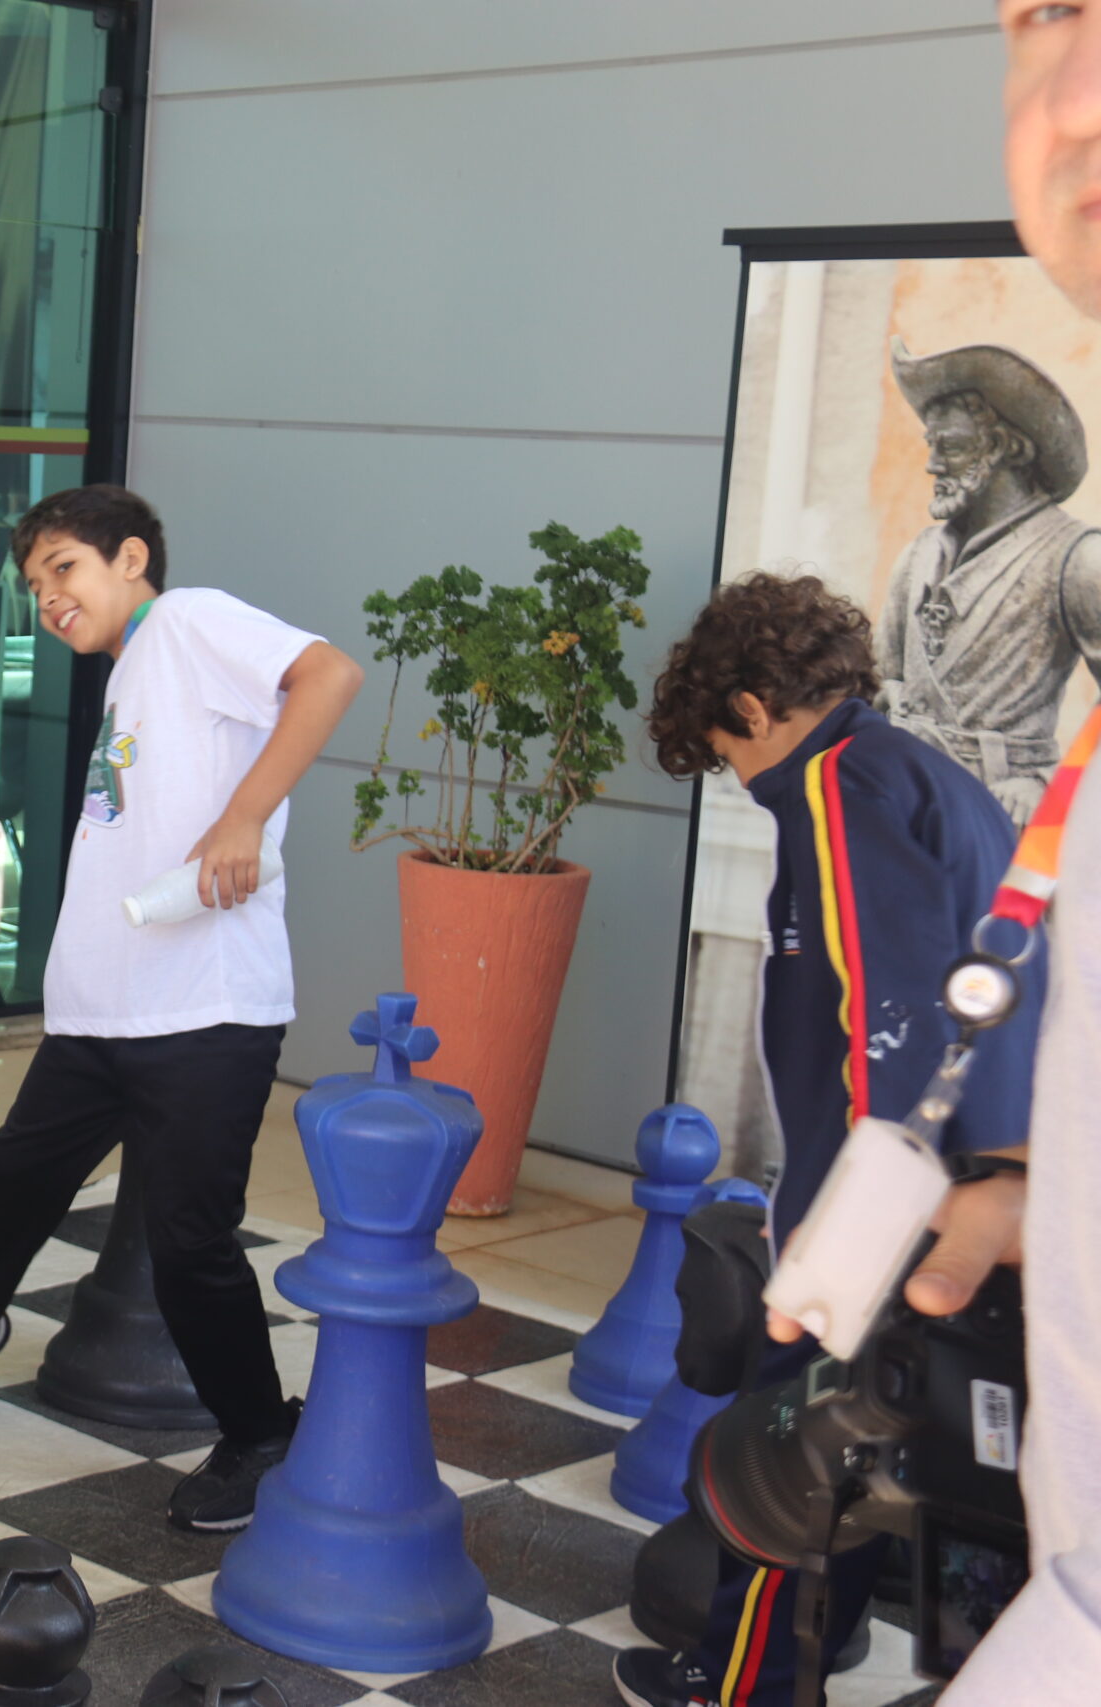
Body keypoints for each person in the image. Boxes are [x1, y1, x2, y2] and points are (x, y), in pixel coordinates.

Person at [0, 484, 363, 1531]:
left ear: (130, 559)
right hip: (101, 1012)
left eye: (63, 570)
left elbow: (329, 674)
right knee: (14, 1182)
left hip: (205, 1008)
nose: (46, 598)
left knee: (190, 1240)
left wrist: (244, 819)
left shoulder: (187, 620)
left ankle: (259, 1433)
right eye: (33, 585)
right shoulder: (132, 670)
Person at [612, 572, 1043, 1706]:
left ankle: (739, 1688)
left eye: (728, 755)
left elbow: (884, 1020)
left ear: (753, 707)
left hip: (902, 1216)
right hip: (982, 1203)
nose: (744, 781)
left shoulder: (837, 781)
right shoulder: (925, 779)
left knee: (793, 1467)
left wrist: (837, 1237)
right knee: (940, 1479)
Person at [904, 7, 1101, 1701]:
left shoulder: (1077, 565)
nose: (1080, 94)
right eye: (1047, 10)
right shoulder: (924, 565)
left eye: (964, 439)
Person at [873, 339, 1101, 821]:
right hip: (902, 806)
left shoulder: (1077, 558)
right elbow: (879, 678)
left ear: (1001, 448)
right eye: (932, 445)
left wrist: (1048, 787)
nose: (933, 465)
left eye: (950, 447)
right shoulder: (917, 556)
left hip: (999, 814)